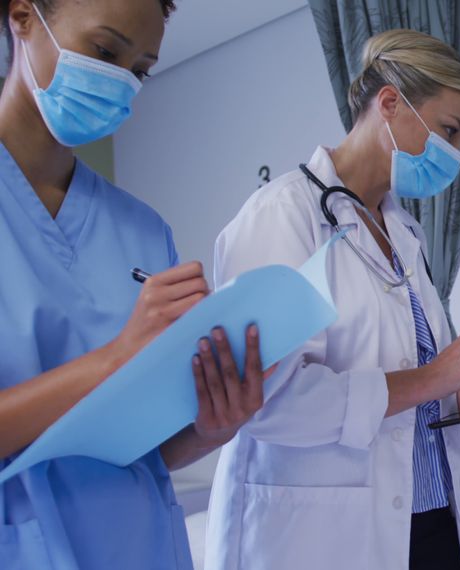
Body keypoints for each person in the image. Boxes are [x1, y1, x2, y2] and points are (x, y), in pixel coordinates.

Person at [206, 29, 460, 570]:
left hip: (429, 524)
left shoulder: (403, 233)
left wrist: (455, 400)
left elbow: (398, 380)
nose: (455, 155)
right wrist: (435, 378)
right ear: (389, 103)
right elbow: (266, 401)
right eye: (449, 131)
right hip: (325, 540)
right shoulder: (284, 216)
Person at [0, 0, 274, 568]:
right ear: (24, 15)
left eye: (139, 69)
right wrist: (113, 359)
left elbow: (151, 452)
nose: (120, 82)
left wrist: (212, 427)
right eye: (104, 51)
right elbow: (114, 370)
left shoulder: (144, 231)